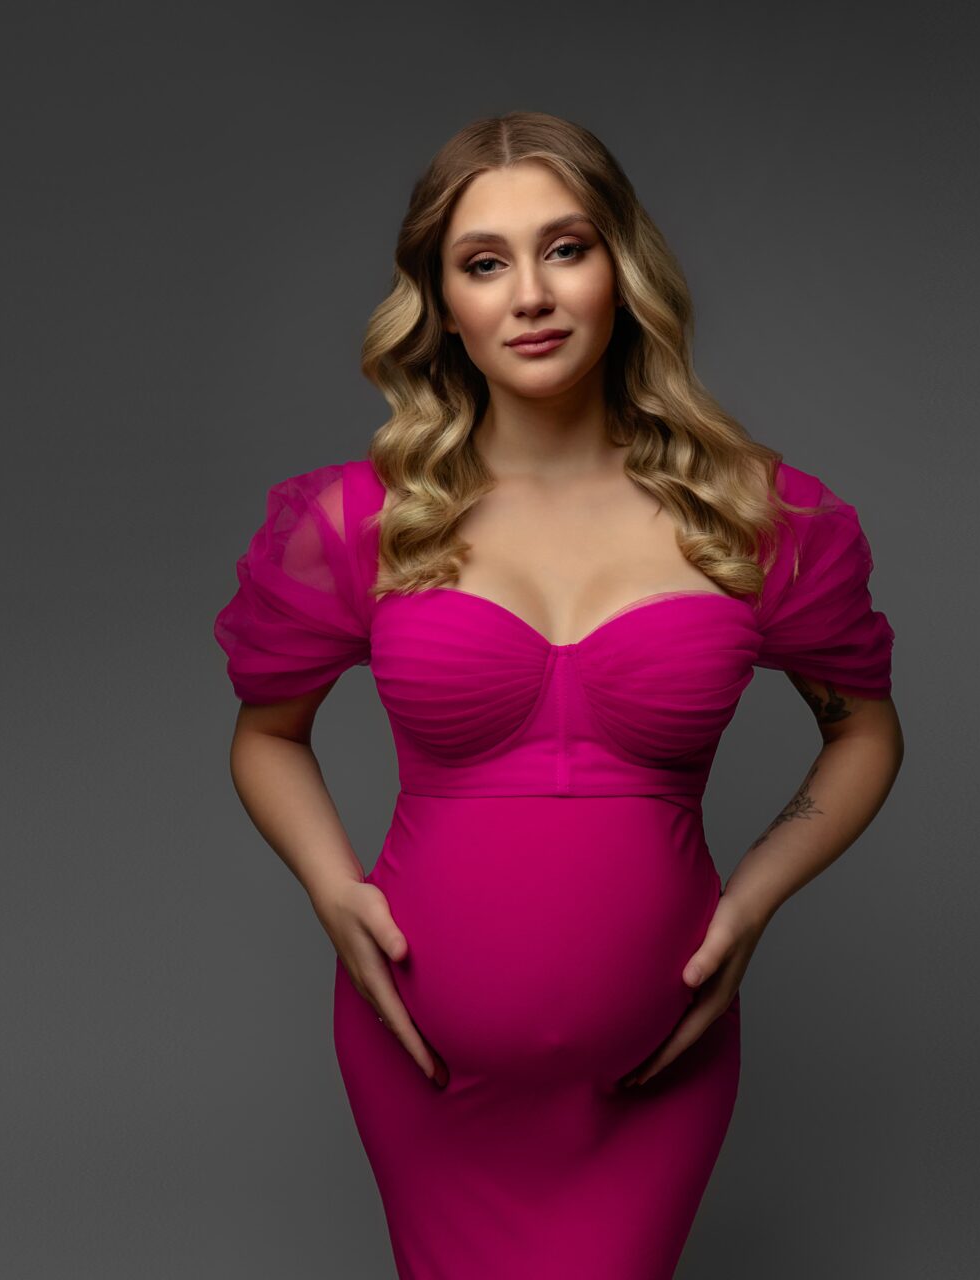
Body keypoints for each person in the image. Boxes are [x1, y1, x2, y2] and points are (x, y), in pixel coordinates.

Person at [213, 110, 904, 1280]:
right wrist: (334, 889)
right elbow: (268, 736)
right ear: (440, 303)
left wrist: (756, 899)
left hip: (653, 1070)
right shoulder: (356, 521)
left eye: (565, 248)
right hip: (424, 1062)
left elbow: (864, 731)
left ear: (622, 270)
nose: (529, 294)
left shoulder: (756, 514)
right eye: (485, 263)